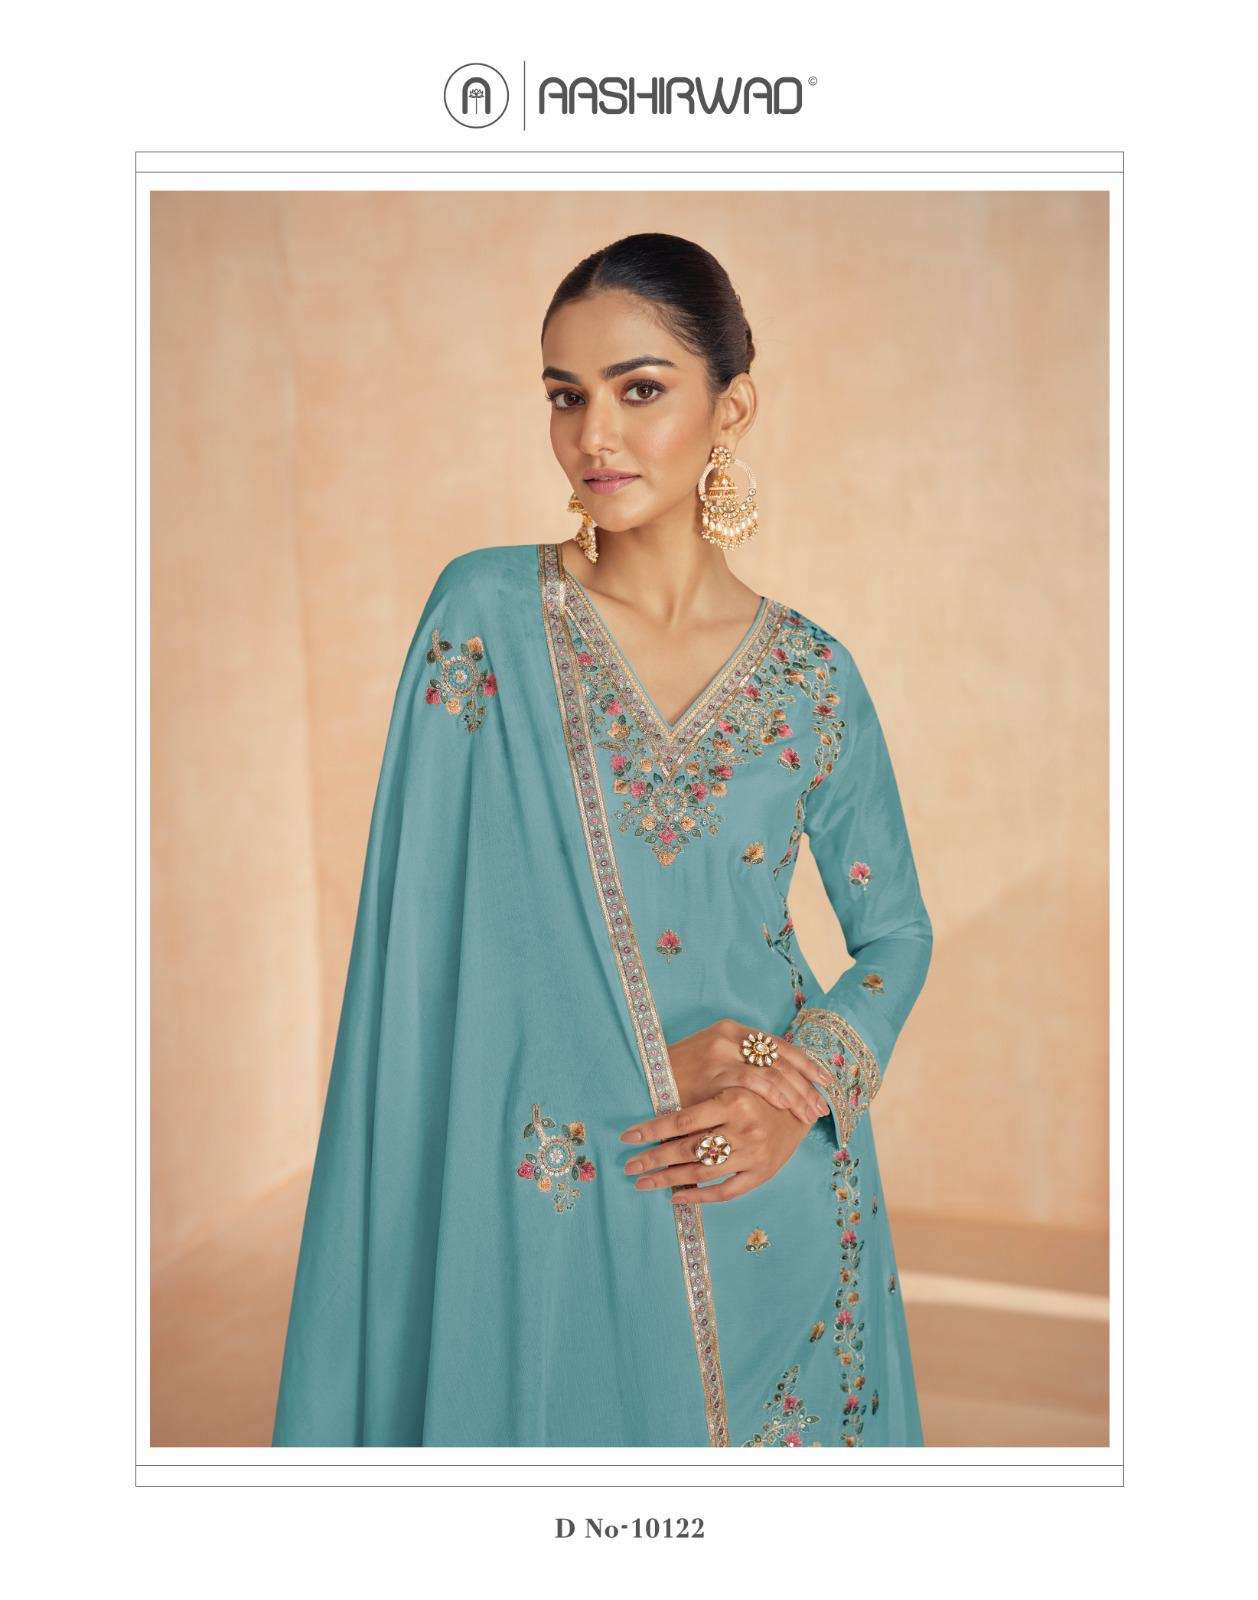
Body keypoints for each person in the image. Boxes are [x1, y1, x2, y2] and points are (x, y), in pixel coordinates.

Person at [272, 231, 933, 1447]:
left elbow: (895, 931)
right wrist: (627, 1067)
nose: (595, 436)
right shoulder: (486, 619)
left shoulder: (811, 677)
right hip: (560, 1172)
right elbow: (421, 958)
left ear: (731, 406)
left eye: (639, 390)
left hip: (763, 1176)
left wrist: (794, 1090)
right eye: (564, 396)